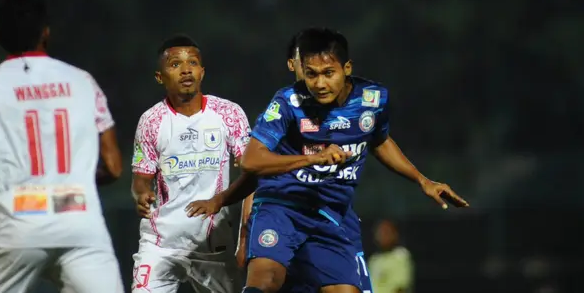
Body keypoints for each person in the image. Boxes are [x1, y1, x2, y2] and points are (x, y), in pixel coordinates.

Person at [188, 27, 468, 293]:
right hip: (282, 206)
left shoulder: (373, 99)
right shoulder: (288, 102)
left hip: (333, 213)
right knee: (266, 279)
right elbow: (251, 161)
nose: (319, 83)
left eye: (328, 73)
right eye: (311, 74)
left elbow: (379, 141)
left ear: (347, 69)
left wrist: (422, 180)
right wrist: (311, 159)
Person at [0, 0, 124, 293]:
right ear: (46, 32)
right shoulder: (83, 81)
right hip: (81, 222)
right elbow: (113, 167)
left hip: (20, 221)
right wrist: (77, 180)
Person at [234, 31, 374, 293]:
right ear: (294, 64)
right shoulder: (283, 108)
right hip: (283, 217)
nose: (317, 73)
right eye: (308, 64)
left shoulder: (351, 108)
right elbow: (255, 174)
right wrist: (244, 234)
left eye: (326, 68)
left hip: (335, 222)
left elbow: (378, 140)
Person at [130, 34, 252, 293]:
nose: (186, 70)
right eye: (175, 64)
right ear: (159, 77)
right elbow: (141, 179)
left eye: (192, 63)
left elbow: (253, 175)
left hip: (214, 244)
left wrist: (244, 236)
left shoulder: (228, 113)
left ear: (202, 71)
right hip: (160, 243)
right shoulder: (151, 121)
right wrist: (141, 195)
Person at [369, 219, 414, 293]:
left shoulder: (401, 256)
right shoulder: (373, 259)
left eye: (386, 232)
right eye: (380, 233)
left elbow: (401, 288)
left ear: (395, 234)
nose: (382, 236)